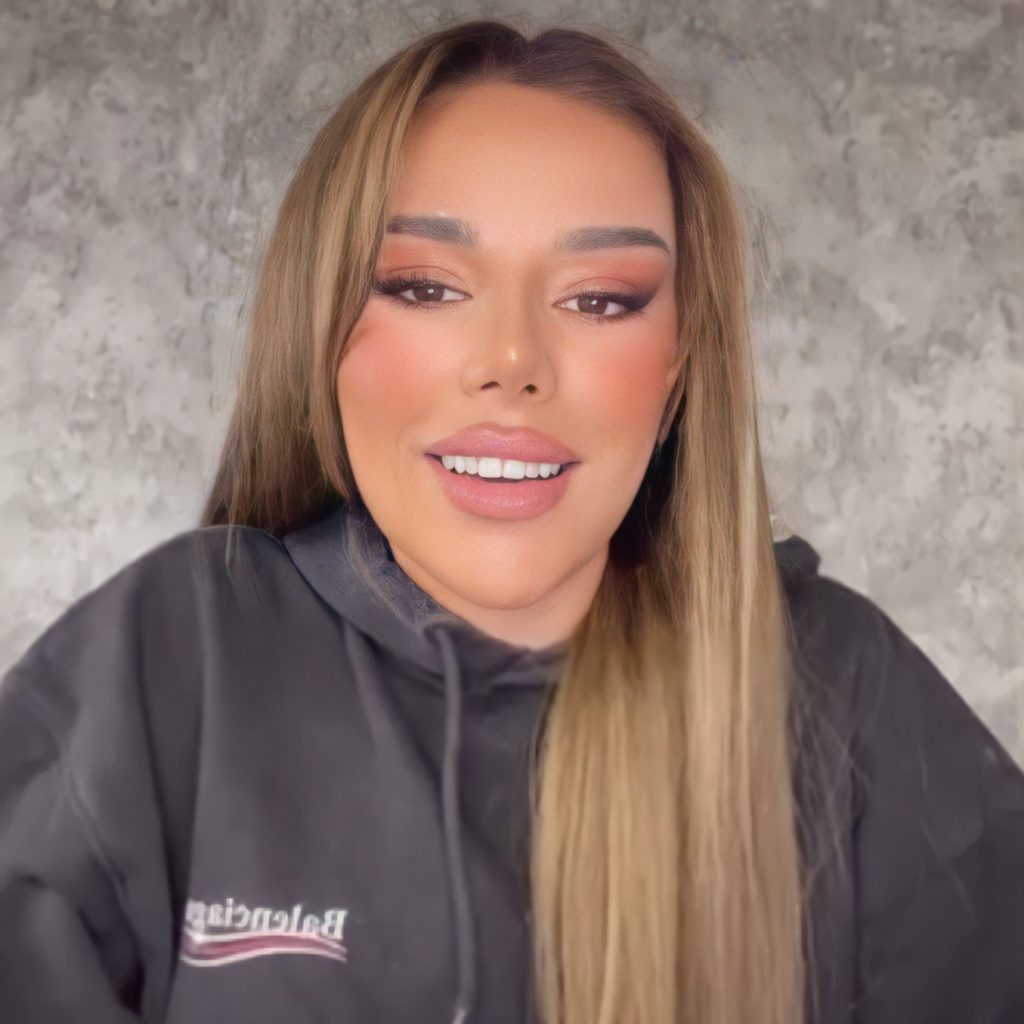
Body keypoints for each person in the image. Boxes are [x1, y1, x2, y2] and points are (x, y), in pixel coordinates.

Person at [0, 16, 1021, 1024]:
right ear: (322, 332)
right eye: (425, 286)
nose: (513, 362)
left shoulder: (842, 690)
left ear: (677, 366)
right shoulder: (173, 656)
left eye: (600, 300)